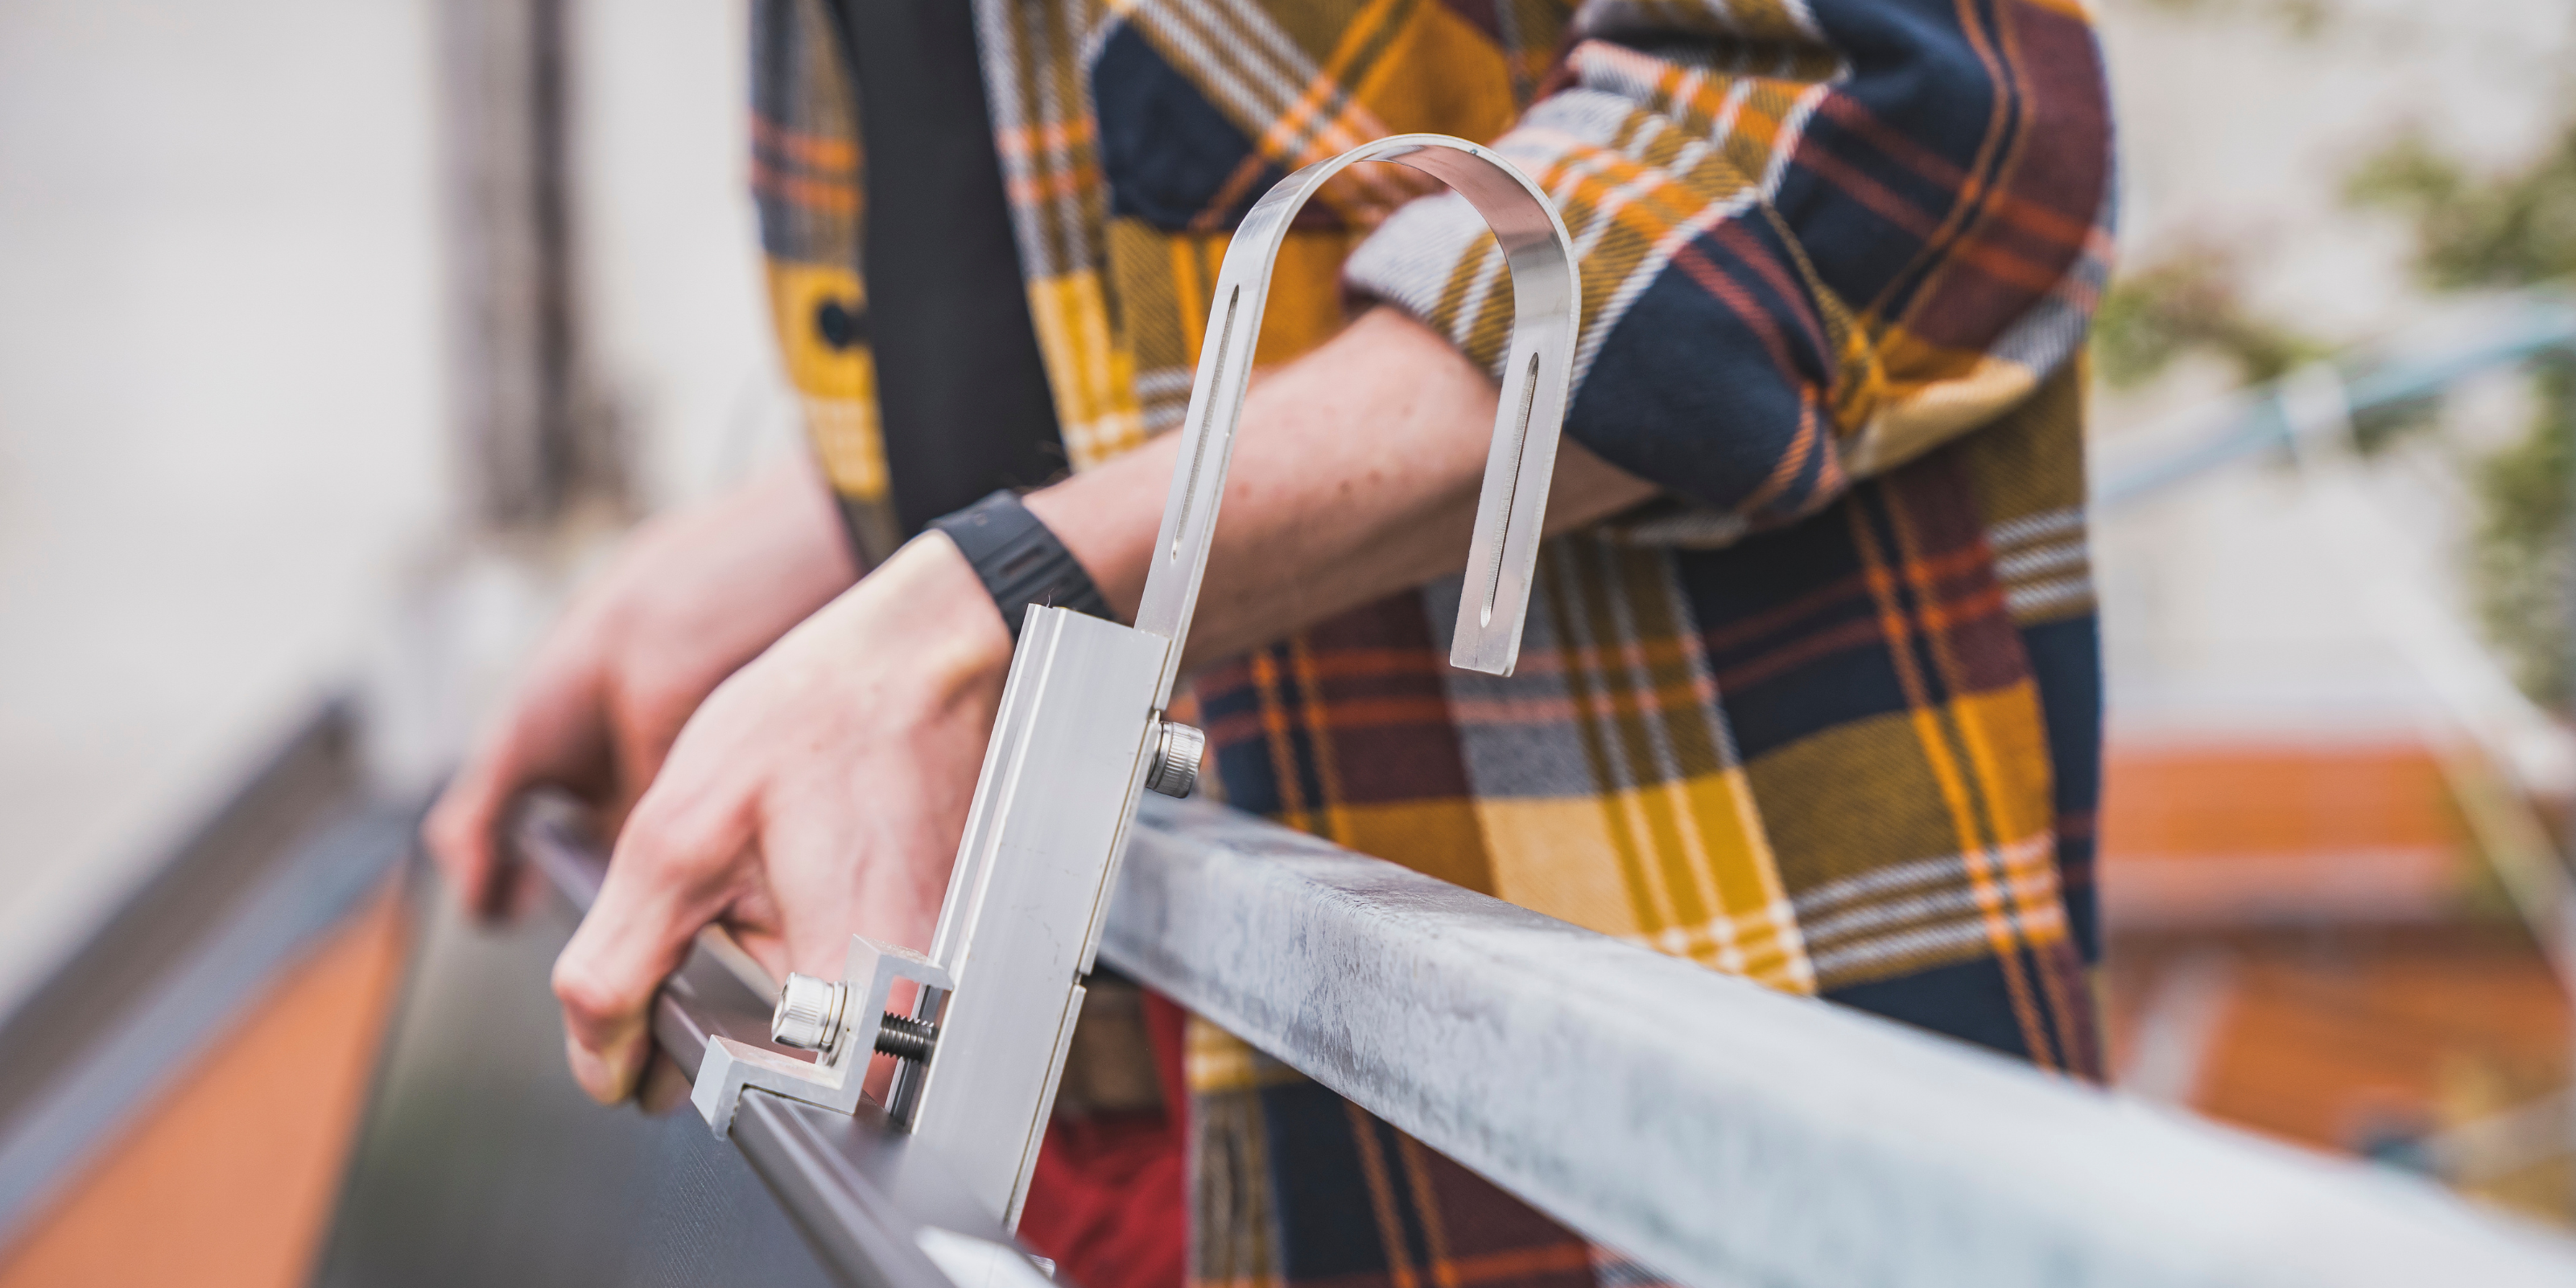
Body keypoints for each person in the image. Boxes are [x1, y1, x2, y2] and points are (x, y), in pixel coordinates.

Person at [427, 1, 2114, 1285]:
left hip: (1588, 1093)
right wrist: (834, 541)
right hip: (1084, 1089)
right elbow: (1073, 277)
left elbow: (1885, 122)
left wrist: (990, 604)